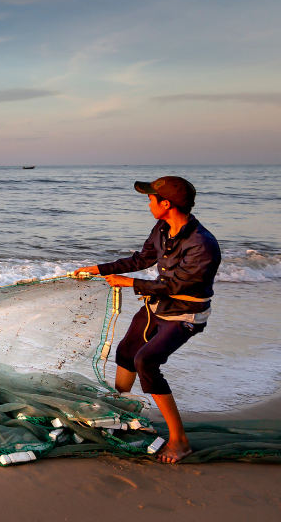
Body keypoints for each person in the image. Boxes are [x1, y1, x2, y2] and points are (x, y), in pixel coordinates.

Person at [73, 176, 220, 463]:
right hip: (157, 304)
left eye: (151, 198)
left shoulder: (203, 244)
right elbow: (142, 260)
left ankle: (180, 441)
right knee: (126, 353)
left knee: (146, 361)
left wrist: (128, 284)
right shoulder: (162, 227)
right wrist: (98, 269)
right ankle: (120, 413)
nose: (148, 202)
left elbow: (177, 286)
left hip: (185, 313)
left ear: (166, 204)